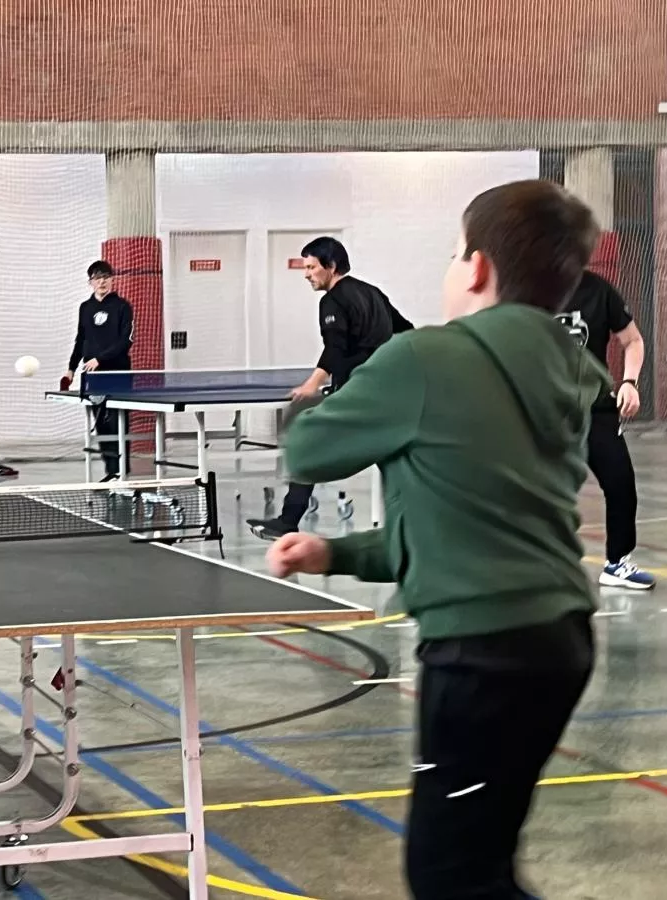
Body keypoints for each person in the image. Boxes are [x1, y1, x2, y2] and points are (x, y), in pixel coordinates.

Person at [266, 179, 608, 899]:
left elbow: (310, 451)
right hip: (559, 641)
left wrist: (301, 409)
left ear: (477, 269)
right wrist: (336, 552)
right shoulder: (572, 367)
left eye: (455, 254)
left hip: (482, 658)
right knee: (480, 867)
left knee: (452, 877)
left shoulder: (422, 360)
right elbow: (471, 527)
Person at [247, 236, 413, 539]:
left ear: (331, 266)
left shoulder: (332, 301)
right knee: (393, 456)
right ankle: (417, 521)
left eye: (311, 267)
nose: (306, 274)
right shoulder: (372, 292)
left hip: (355, 394)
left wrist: (312, 384)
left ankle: (287, 521)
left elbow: (335, 349)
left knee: (310, 446)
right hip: (386, 392)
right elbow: (406, 330)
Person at [558, 269, 656, 590]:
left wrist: (629, 382)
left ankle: (617, 563)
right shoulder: (526, 288)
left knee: (621, 484)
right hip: (547, 412)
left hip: (596, 407)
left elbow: (633, 340)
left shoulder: (598, 290)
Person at [64, 260, 134, 480]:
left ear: (112, 280)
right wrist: (71, 369)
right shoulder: (85, 308)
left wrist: (100, 359)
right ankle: (111, 470)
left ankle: (122, 470)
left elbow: (126, 341)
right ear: (90, 282)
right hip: (93, 377)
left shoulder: (123, 307)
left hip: (118, 373)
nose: (102, 281)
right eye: (97, 278)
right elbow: (80, 339)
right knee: (101, 423)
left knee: (117, 422)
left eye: (106, 277)